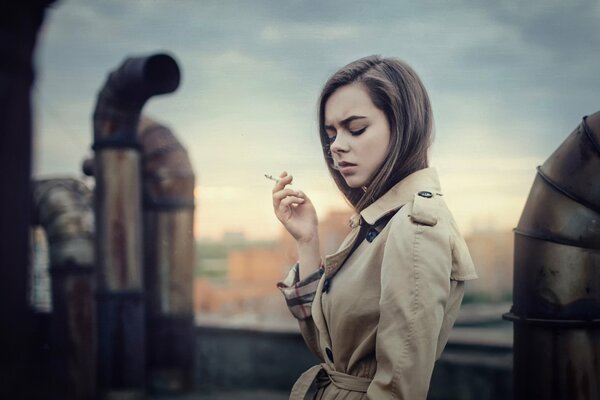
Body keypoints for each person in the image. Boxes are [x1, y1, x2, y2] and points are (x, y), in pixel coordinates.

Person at [271, 55, 478, 400]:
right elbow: (330, 350)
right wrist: (307, 241)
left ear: (402, 127)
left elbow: (398, 389)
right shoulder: (378, 221)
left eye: (356, 129)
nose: (336, 146)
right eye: (331, 133)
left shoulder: (415, 228)